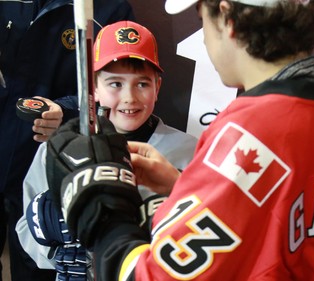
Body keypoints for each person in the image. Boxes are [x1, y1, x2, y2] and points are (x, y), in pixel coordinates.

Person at [45, 0, 314, 280]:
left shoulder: (251, 134)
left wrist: (99, 211)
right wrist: (179, 185)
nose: (205, 37)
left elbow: (148, 277)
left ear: (226, 18)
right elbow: (262, 222)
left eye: (200, 19)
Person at [16, 20, 198, 281]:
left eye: (142, 84)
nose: (129, 97)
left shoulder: (191, 151)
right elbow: (25, 229)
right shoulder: (59, 149)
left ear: (158, 87)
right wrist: (59, 244)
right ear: (94, 89)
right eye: (115, 84)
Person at [0, 1, 135, 280]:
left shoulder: (110, 8)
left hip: (44, 160)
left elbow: (116, 84)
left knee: (35, 262)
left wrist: (67, 111)